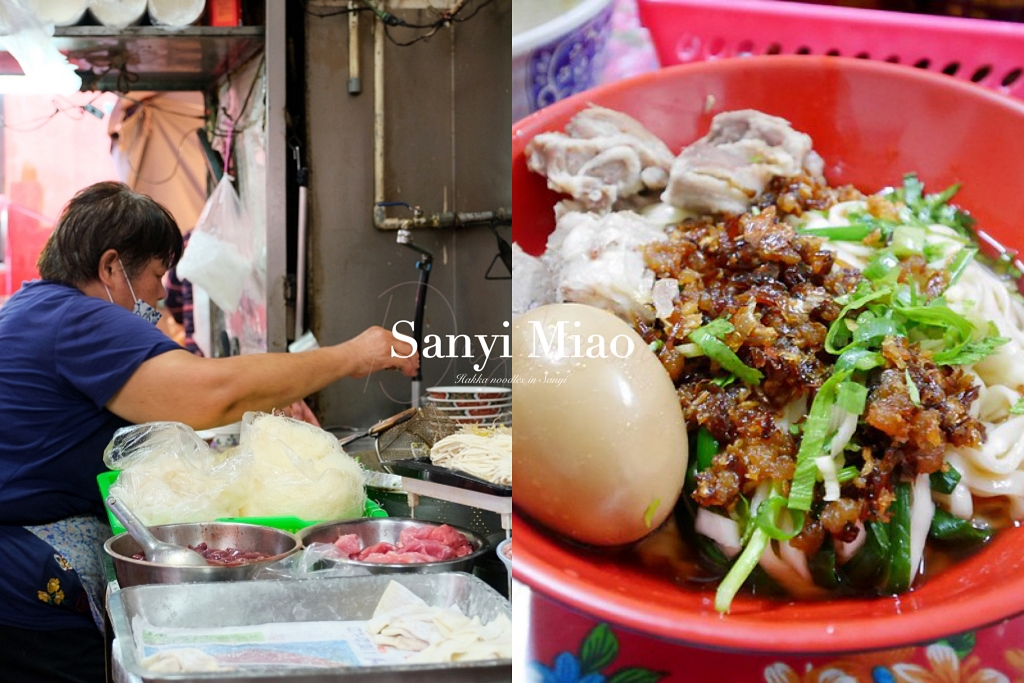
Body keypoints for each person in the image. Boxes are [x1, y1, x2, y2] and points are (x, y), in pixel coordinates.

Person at [0, 182, 417, 682]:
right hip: (25, 580)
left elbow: (160, 407)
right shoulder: (79, 320)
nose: (158, 293)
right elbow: (209, 393)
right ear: (110, 267)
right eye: (156, 274)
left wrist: (261, 402)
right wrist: (354, 355)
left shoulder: (35, 311)